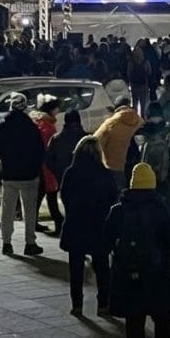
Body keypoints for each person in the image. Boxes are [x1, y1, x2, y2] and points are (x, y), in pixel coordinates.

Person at [103, 163, 170, 338]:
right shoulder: (159, 208)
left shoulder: (118, 210)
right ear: (151, 185)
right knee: (162, 322)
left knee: (134, 324)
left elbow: (105, 242)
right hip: (156, 274)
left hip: (128, 276)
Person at [59, 135, 118, 317]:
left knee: (76, 269)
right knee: (102, 267)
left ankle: (77, 304)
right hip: (98, 226)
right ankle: (103, 304)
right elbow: (112, 199)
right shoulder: (105, 174)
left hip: (76, 225)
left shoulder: (71, 172)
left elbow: (65, 196)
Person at [0, 92, 45, 256]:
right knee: (30, 210)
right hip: (29, 174)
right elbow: (39, 150)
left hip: (9, 173)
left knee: (7, 210)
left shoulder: (1, 125)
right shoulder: (31, 126)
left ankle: (6, 243)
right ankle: (30, 243)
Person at [94, 95, 144, 190]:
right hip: (136, 165)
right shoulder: (139, 120)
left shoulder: (110, 124)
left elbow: (95, 142)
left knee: (117, 196)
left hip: (114, 166)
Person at [30, 95, 63, 235]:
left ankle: (33, 222)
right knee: (51, 194)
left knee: (41, 194)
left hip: (38, 164)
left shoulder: (38, 121)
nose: (59, 110)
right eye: (57, 107)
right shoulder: (47, 126)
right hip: (46, 166)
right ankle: (59, 223)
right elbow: (49, 148)